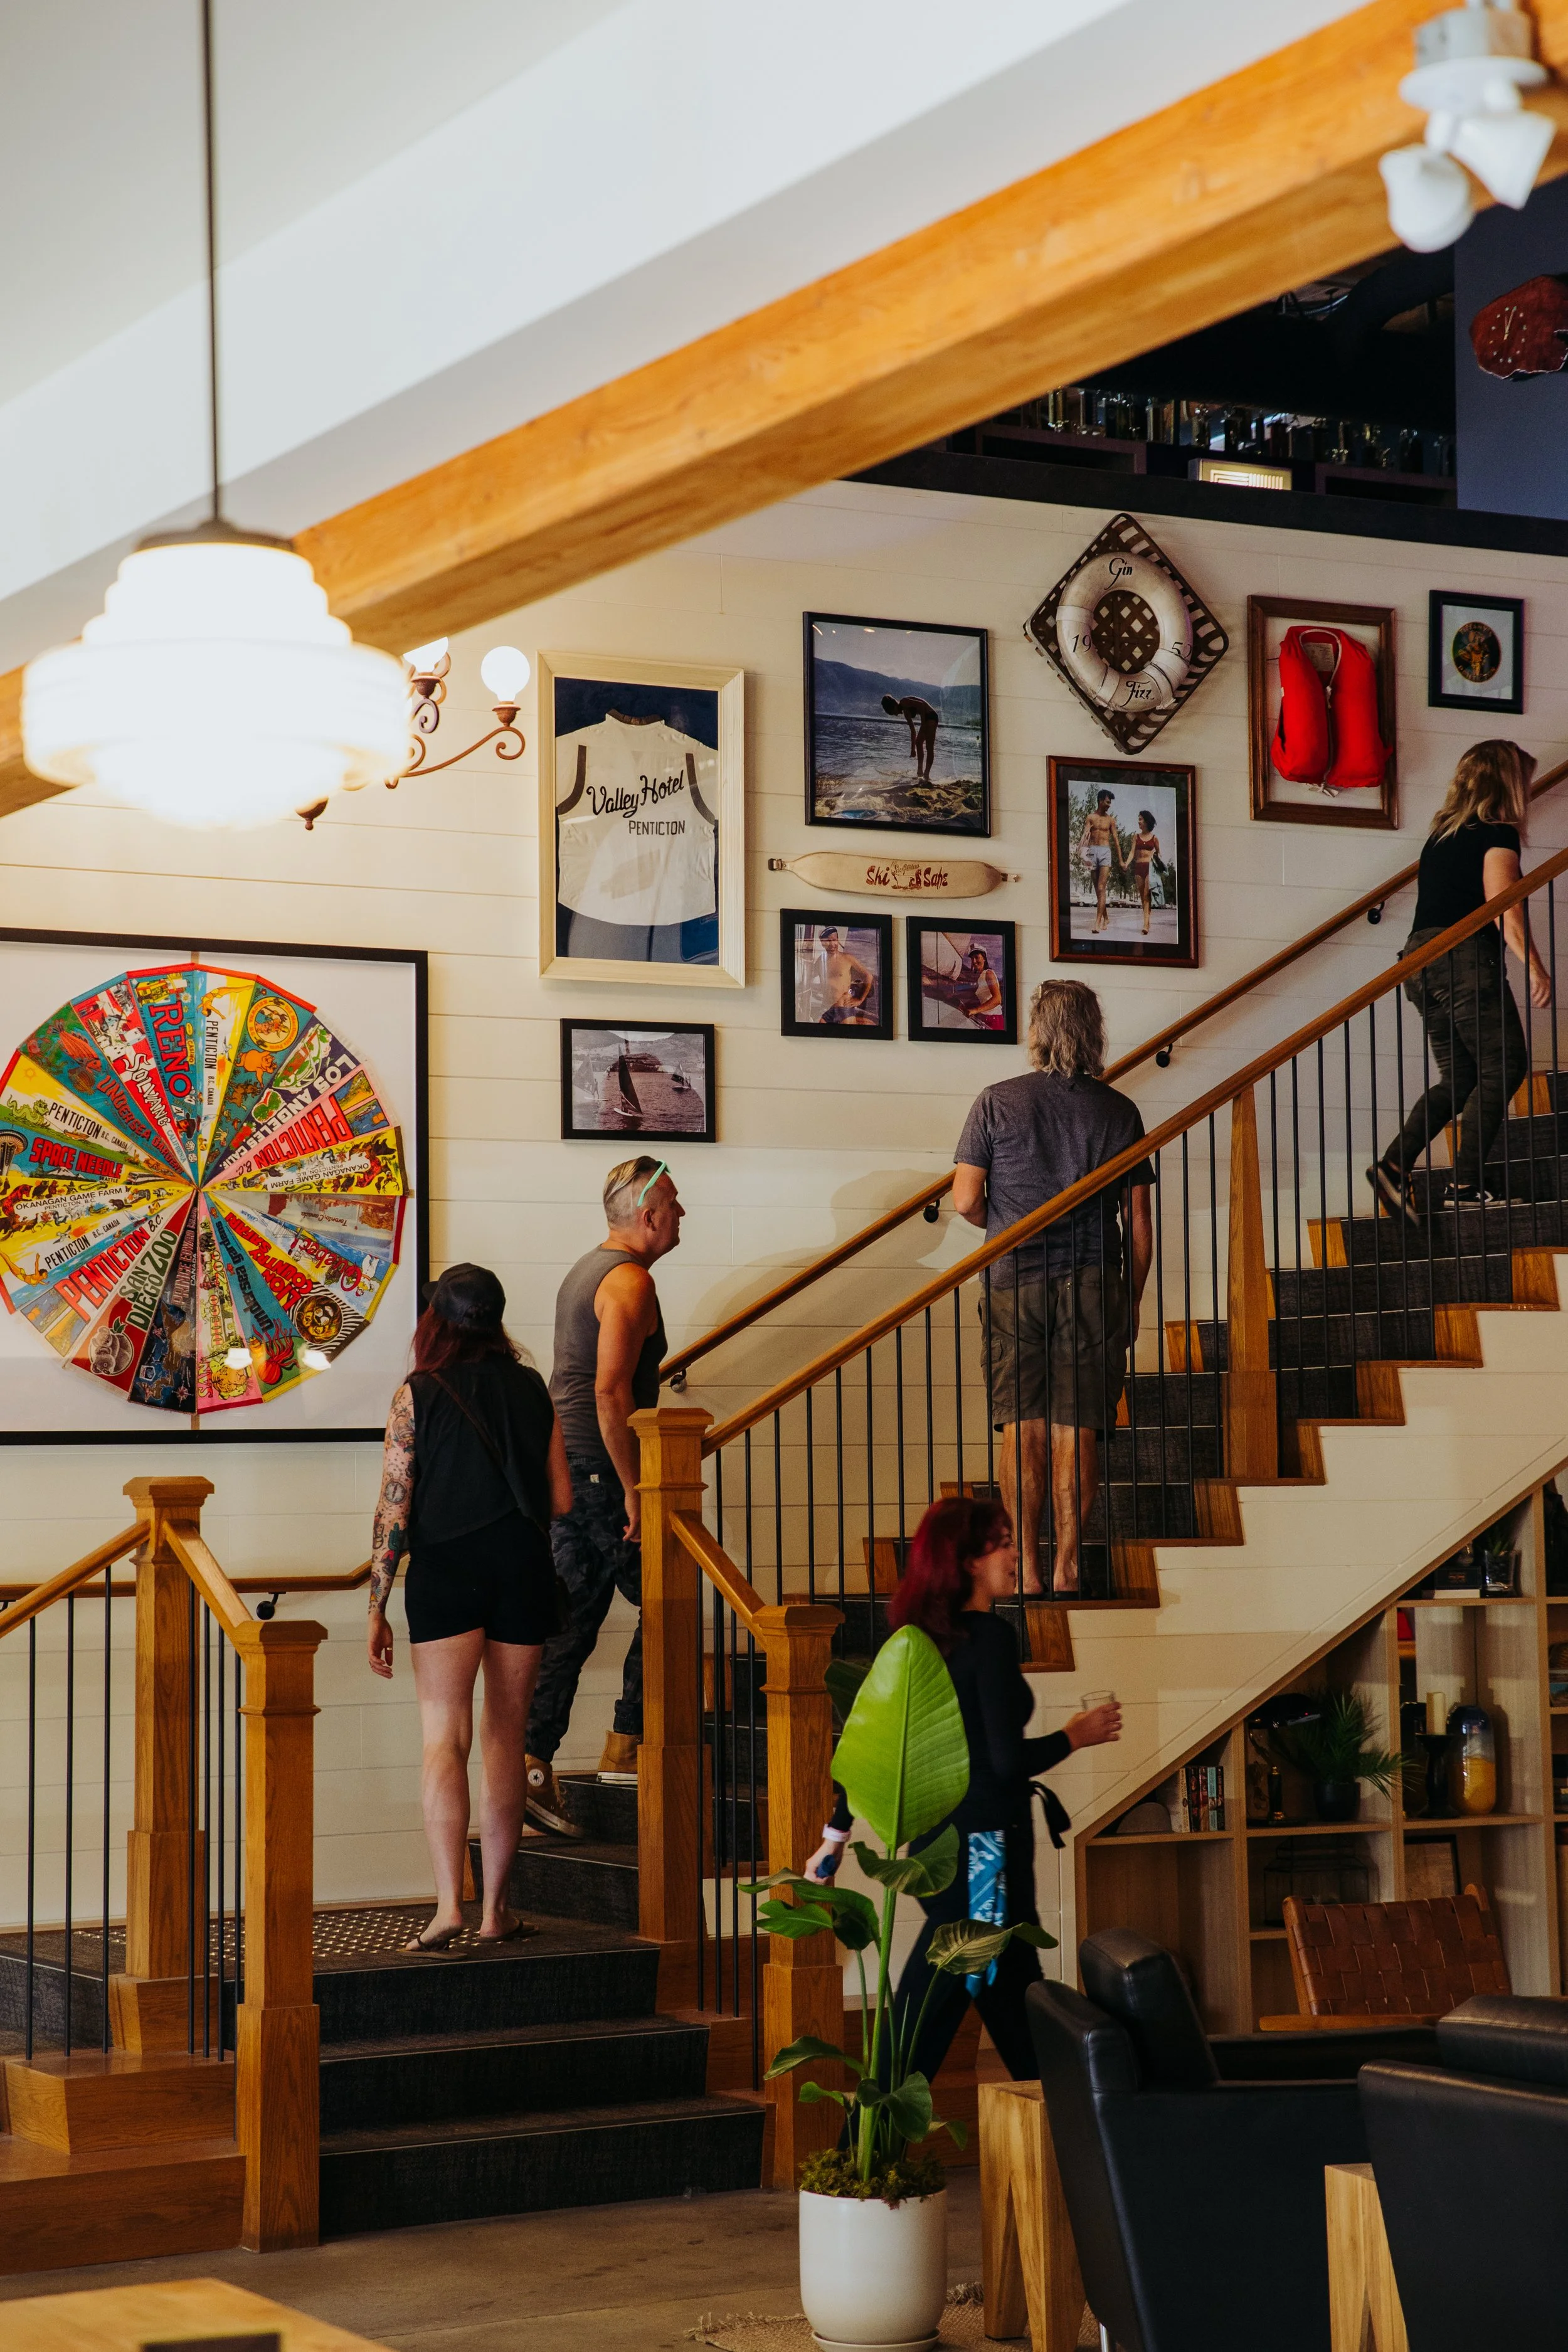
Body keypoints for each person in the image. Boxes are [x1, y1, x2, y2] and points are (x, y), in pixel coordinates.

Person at [806, 1495, 1121, 2081]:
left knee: (1017, 2010)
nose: (1013, 1552)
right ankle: (858, 2158)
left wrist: (835, 1834)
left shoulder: (913, 1641)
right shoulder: (992, 1639)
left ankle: (1077, 2141)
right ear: (969, 1560)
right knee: (928, 2021)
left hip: (937, 1845)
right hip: (985, 1854)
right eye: (1003, 1542)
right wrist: (1074, 1738)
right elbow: (1005, 1764)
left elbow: (873, 1744)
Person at [366, 1264, 572, 1952]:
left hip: (446, 1575)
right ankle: (498, 1912)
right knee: (504, 1741)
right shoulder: (531, 1388)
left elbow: (395, 1506)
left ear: (436, 1320)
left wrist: (378, 1602)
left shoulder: (416, 1394)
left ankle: (448, 1907)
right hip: (520, 1570)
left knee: (443, 1741)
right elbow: (563, 1499)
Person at [953, 980, 1153, 1596]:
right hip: (1094, 1281)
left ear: (1037, 1032)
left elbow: (964, 1200)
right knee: (1078, 1425)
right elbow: (1138, 1223)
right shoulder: (1119, 1111)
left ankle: (1029, 1570)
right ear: (1094, 1033)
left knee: (1023, 1425)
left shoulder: (996, 1102)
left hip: (1015, 1281)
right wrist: (1132, 1302)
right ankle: (1069, 1565)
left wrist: (1010, 1224)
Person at [523, 1155, 684, 1835]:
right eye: (674, 1203)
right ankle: (629, 1745)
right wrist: (634, 1489)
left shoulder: (587, 1271)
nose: (682, 1214)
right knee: (671, 1601)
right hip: (603, 1473)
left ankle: (532, 1767)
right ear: (647, 1216)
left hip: (573, 1467)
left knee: (573, 1625)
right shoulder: (629, 1283)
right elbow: (609, 1390)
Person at [1368, 740, 1551, 1227]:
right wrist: (1535, 967)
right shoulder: (1498, 833)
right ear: (1508, 782)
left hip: (1419, 962)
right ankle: (1467, 1184)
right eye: (1525, 781)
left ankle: (1393, 1164)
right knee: (1507, 1063)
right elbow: (1504, 907)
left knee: (1463, 1079)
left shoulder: (1443, 836)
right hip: (1461, 960)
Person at [1077, 790, 1122, 935]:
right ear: (1101, 800)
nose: (1109, 805)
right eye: (1108, 802)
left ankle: (1097, 922)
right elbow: (1085, 835)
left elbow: (1115, 840)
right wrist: (1082, 852)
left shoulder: (1111, 820)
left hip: (1105, 852)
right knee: (1098, 889)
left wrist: (1121, 860)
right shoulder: (1090, 817)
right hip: (1092, 852)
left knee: (1102, 887)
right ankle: (1106, 917)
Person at [817, 926, 877, 1026]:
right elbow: (809, 974)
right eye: (828, 941)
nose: (832, 944)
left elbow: (869, 976)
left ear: (838, 940)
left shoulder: (847, 958)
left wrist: (860, 1000)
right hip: (826, 1006)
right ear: (823, 943)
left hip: (843, 1004)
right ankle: (861, 1022)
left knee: (847, 1036)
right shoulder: (820, 960)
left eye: (834, 940)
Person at [881, 692, 939, 781]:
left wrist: (923, 724)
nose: (896, 715)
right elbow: (913, 731)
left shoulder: (904, 702)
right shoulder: (906, 713)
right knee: (918, 743)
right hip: (926, 718)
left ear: (894, 706)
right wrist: (913, 749)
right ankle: (920, 772)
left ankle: (926, 775)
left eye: (893, 712)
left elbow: (922, 705)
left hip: (931, 716)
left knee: (929, 746)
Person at [1128, 810, 1162, 937]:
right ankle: (1148, 921)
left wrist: (1159, 865)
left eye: (1141, 819)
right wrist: (1126, 863)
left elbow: (1159, 853)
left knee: (1147, 896)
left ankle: (1145, 925)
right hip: (1138, 867)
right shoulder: (1136, 837)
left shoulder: (1154, 838)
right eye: (1139, 819)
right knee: (1143, 898)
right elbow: (1132, 853)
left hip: (1150, 868)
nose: (1139, 821)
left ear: (1146, 821)